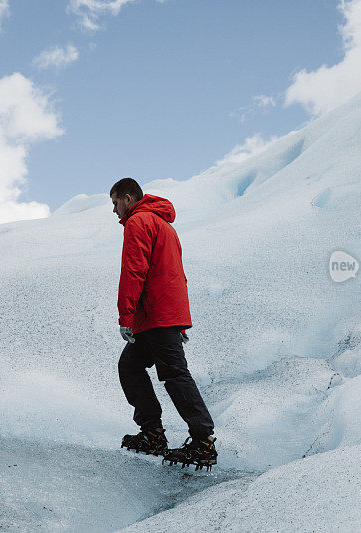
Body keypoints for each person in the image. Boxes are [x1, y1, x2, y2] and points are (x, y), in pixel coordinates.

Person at [110, 177, 217, 470]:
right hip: (160, 314)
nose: (115, 210)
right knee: (131, 365)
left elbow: (134, 269)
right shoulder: (163, 224)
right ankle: (152, 433)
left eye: (115, 202)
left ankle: (203, 442)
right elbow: (173, 272)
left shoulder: (138, 222)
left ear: (129, 198)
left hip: (156, 314)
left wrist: (126, 316)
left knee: (174, 374)